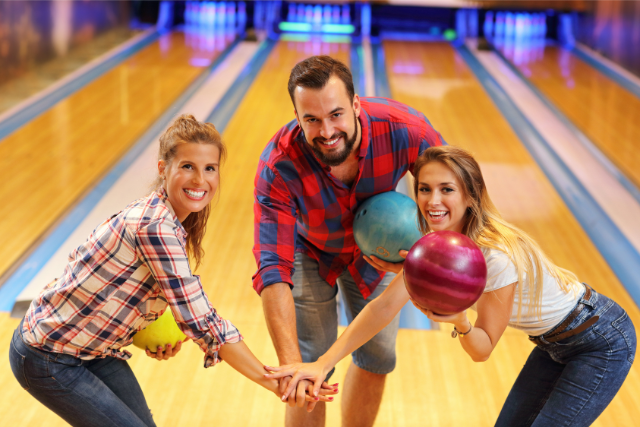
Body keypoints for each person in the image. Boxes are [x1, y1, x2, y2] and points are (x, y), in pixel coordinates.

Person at [266, 145, 637, 426]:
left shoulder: (495, 256)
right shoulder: (434, 245)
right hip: (553, 343)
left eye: (447, 189)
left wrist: (460, 319)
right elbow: (381, 308)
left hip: (598, 340)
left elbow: (482, 350)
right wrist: (322, 363)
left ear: (470, 196)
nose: (433, 200)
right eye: (424, 189)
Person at [9, 115, 334, 427]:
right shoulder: (155, 227)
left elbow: (122, 290)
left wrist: (145, 329)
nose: (200, 180)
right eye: (188, 167)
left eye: (210, 168)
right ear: (164, 169)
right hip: (49, 354)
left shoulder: (171, 220)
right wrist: (275, 381)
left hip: (93, 349)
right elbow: (202, 321)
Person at [253, 55, 445, 427]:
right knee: (308, 365)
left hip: (379, 249)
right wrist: (292, 367)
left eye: (336, 115)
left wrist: (423, 258)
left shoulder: (405, 130)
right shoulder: (278, 165)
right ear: (296, 116)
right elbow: (272, 267)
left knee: (378, 356)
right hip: (308, 250)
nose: (326, 131)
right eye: (311, 119)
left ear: (356, 105)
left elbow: (454, 199)